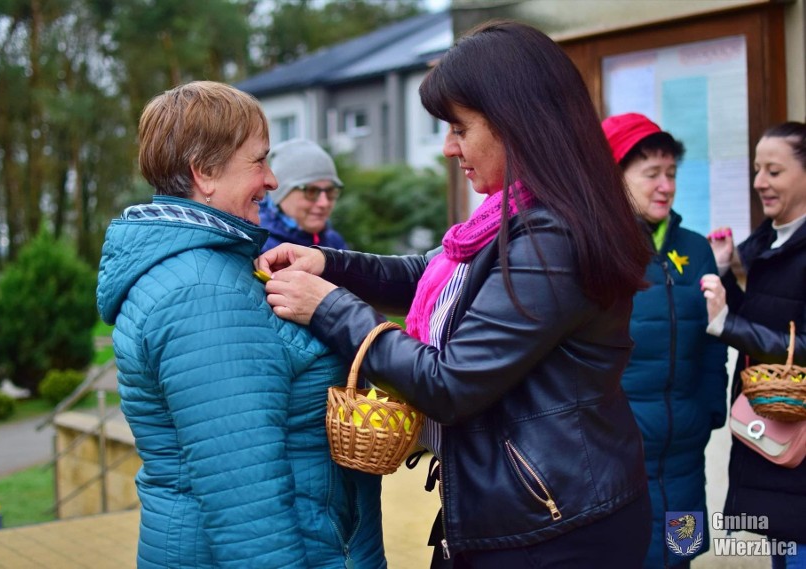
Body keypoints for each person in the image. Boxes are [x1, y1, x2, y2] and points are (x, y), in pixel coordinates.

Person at [257, 21, 653, 568]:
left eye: (459, 128)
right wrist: (330, 264)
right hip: (528, 510)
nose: (448, 148)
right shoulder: (515, 217)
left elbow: (449, 382)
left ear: (518, 125)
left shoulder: (551, 238)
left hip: (555, 530)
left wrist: (328, 308)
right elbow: (436, 275)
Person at [95, 81, 385, 569]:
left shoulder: (216, 266)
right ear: (204, 173)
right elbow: (247, 505)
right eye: (259, 161)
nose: (272, 181)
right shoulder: (203, 293)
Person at [602, 112, 729, 569]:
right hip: (620, 460)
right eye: (651, 174)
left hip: (684, 457)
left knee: (680, 556)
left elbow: (714, 340)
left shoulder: (695, 250)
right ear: (614, 178)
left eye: (671, 173)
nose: (666, 186)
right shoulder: (600, 250)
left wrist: (710, 409)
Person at [701, 121, 806, 569]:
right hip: (770, 429)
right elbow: (769, 320)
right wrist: (725, 274)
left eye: (775, 171)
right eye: (757, 169)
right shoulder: (766, 241)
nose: (760, 181)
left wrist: (727, 325)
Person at [258, 138, 346, 252]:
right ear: (280, 194)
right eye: (311, 191)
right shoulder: (259, 248)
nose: (324, 203)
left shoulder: (334, 241)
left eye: (330, 191)